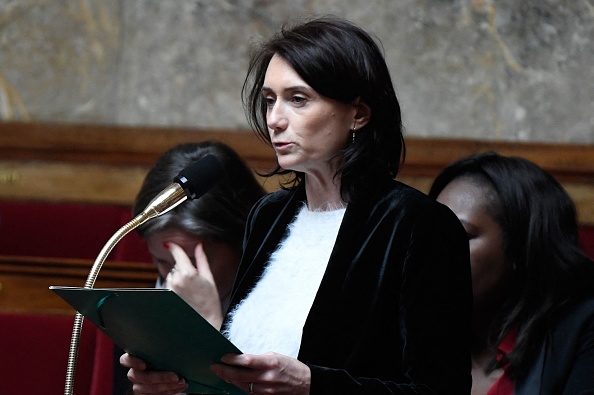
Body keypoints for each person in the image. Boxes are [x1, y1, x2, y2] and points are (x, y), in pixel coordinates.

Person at [121, 16, 473, 395]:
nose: (274, 119)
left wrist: (313, 385)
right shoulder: (268, 216)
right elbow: (239, 374)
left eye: (298, 99)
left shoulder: (419, 225)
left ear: (359, 113)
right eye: (270, 100)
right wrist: (176, 383)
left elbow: (442, 390)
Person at [428, 151, 594, 394]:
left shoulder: (581, 330)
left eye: (458, 235)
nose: (432, 250)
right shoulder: (412, 334)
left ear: (520, 247)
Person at [113, 141, 265, 394]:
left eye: (193, 262)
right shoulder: (139, 317)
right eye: (163, 262)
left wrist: (207, 331)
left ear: (242, 241)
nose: (179, 278)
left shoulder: (283, 308)